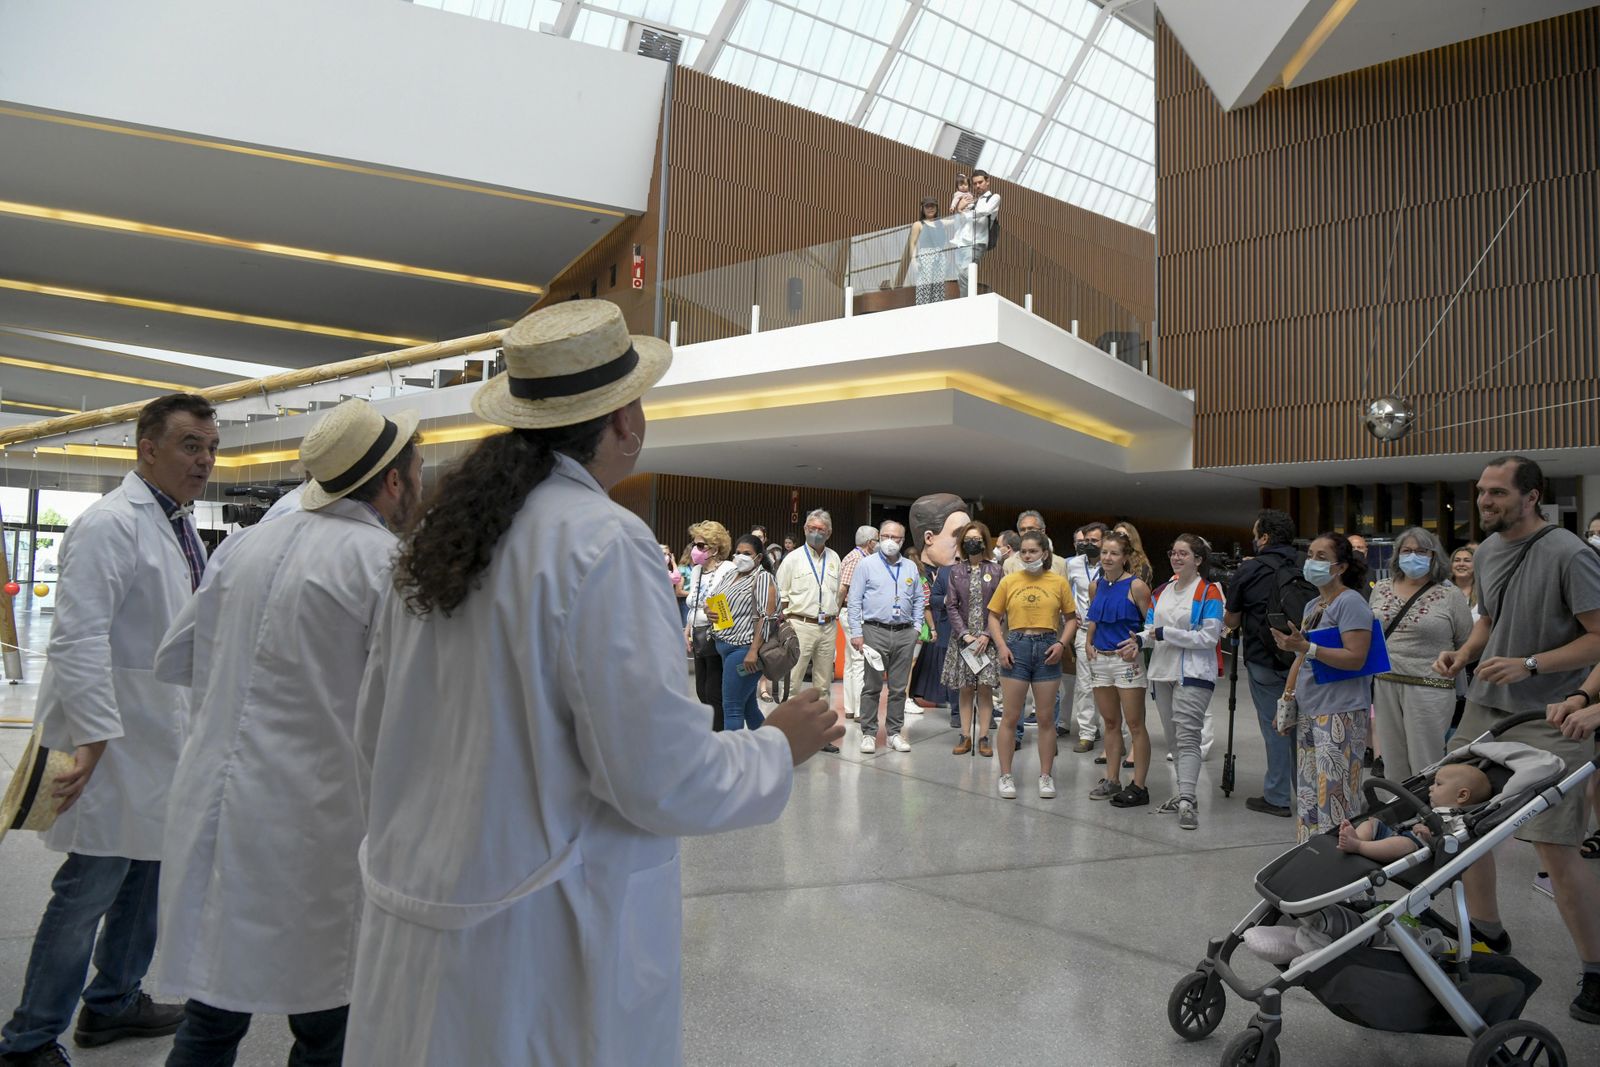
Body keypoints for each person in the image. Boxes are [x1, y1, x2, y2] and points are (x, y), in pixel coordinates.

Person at [342, 300, 840, 1066]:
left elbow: (375, 728)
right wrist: (776, 745)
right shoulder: (601, 540)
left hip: (424, 912)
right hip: (538, 940)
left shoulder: (442, 539)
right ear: (622, 422)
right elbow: (659, 776)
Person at [150, 399, 423, 1067]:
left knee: (214, 1008)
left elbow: (173, 657)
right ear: (392, 481)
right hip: (318, 821)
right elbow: (410, 711)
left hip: (224, 807)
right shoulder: (384, 564)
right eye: (415, 470)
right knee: (330, 1018)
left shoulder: (245, 545)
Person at [0, 394, 218, 1066]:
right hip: (110, 745)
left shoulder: (178, 524)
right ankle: (30, 1036)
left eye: (211, 447)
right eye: (189, 445)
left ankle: (114, 999)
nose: (205, 460)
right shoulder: (107, 525)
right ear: (145, 447)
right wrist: (93, 736)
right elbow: (78, 638)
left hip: (157, 737)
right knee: (90, 884)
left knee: (147, 874)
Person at [1433, 456, 1600, 1024]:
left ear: (1532, 497)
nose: (1485, 502)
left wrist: (1531, 664)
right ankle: (1486, 931)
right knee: (1464, 820)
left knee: (1555, 845)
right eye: (1481, 493)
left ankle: (1596, 969)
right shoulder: (1485, 552)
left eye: (1498, 494)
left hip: (1553, 715)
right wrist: (1465, 653)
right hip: (1486, 706)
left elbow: (1599, 639)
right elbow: (1487, 619)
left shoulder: (1570, 553)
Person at [1272, 532, 1375, 843]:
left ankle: (1341, 867)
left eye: (1320, 557)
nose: (1311, 562)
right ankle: (1310, 855)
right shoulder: (1314, 605)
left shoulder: (1351, 602)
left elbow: (1356, 657)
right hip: (1310, 709)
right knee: (1308, 794)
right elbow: (1301, 659)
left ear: (1340, 567)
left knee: (1337, 793)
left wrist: (1308, 647)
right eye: (1310, 555)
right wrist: (1287, 703)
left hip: (1340, 711)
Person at [1368, 526, 1472, 781]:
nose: (1413, 556)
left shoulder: (1450, 595)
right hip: (1385, 683)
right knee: (1392, 760)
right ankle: (1400, 815)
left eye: (1421, 551)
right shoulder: (1380, 588)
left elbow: (1466, 641)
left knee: (1426, 760)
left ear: (1434, 556)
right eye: (1407, 550)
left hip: (1430, 687)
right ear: (1397, 554)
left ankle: (1426, 817)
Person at [1139, 535, 1224, 830]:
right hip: (1162, 673)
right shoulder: (1161, 591)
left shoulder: (1209, 593)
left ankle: (1187, 799)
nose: (1176, 558)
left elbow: (1209, 638)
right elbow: (1149, 630)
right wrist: (1135, 642)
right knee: (1174, 740)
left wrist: (1166, 634)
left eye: (1183, 554)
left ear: (1198, 560)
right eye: (1173, 552)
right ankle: (1183, 793)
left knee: (1189, 738)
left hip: (1194, 673)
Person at [1222, 509, 1302, 819]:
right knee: (1304, 728)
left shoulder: (1250, 570)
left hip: (1264, 659)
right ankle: (1307, 792)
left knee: (1277, 727)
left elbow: (1232, 619)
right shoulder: (1308, 565)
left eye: (1256, 534)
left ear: (1264, 537)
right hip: (1304, 656)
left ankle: (1278, 796)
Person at [985, 531, 1076, 799]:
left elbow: (1071, 618)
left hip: (1048, 647)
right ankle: (1005, 775)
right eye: (1023, 552)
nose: (1027, 556)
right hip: (1017, 646)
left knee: (1047, 718)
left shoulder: (1058, 582)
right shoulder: (1009, 580)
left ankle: (1046, 776)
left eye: (1033, 552)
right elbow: (993, 617)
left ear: (1045, 553)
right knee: (1011, 716)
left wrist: (1062, 644)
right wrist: (1002, 646)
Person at [1083, 530, 1153, 806]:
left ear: (1125, 558)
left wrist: (1139, 644)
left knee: (1135, 724)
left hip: (1127, 662)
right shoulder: (1096, 585)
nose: (1108, 558)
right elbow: (1094, 617)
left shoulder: (1136, 587)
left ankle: (1139, 785)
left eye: (1114, 553)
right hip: (1100, 660)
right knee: (1110, 722)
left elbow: (1151, 626)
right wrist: (1088, 642)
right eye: (1104, 552)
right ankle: (1112, 779)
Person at [847, 520, 925, 754]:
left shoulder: (910, 567)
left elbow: (920, 598)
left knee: (899, 688)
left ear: (903, 541)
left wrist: (917, 626)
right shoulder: (866, 565)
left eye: (896, 538)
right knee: (871, 686)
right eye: (886, 536)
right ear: (879, 538)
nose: (891, 541)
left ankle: (894, 732)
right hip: (874, 631)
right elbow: (854, 599)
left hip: (904, 632)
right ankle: (869, 733)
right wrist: (857, 632)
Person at [773, 510, 842, 755]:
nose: (815, 533)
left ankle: (819, 735)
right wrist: (783, 628)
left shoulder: (835, 558)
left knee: (823, 685)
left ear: (829, 532)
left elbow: (838, 594)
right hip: (799, 624)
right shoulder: (792, 559)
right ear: (804, 530)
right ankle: (787, 737)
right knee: (792, 682)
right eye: (811, 528)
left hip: (828, 626)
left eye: (820, 529)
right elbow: (780, 595)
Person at [1336, 763, 1492, 862]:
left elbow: (1454, 844)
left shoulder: (1459, 819)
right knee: (1370, 823)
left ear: (1462, 795)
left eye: (1438, 784)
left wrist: (1431, 838)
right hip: (1398, 833)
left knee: (1404, 844)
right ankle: (1358, 838)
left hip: (1416, 845)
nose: (1431, 787)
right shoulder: (1434, 808)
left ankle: (1359, 846)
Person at [943, 522, 1002, 756]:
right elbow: (952, 606)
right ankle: (965, 736)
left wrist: (987, 634)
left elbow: (1000, 608)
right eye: (968, 538)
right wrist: (965, 634)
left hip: (988, 639)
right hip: (963, 639)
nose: (972, 542)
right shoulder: (955, 571)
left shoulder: (997, 570)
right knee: (966, 688)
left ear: (985, 542)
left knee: (985, 689)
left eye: (977, 538)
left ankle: (984, 737)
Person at [711, 534, 778, 732]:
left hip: (744, 650)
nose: (741, 557)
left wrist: (753, 651)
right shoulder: (731, 574)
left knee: (731, 706)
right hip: (724, 646)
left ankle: (733, 759)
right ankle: (770, 749)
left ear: (758, 557)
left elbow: (767, 617)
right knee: (748, 706)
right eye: (738, 552)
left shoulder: (763, 577)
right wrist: (710, 611)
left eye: (747, 553)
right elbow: (714, 597)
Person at [683, 521, 734, 732]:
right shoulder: (696, 571)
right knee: (701, 691)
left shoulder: (728, 569)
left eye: (701, 545)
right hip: (697, 635)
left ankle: (719, 736)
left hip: (718, 636)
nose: (696, 550)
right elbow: (693, 603)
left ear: (715, 548)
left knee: (714, 692)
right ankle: (710, 733)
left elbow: (729, 605)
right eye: (695, 544)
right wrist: (688, 627)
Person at [1065, 523, 1107, 753]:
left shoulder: (1110, 565)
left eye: (1094, 541)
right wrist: (1071, 613)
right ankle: (1086, 734)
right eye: (1086, 540)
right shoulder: (1073, 564)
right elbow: (1065, 591)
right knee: (1083, 684)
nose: (1089, 544)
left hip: (1107, 633)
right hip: (1083, 633)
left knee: (1104, 683)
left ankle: (1102, 725)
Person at [837, 524, 878, 722]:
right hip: (853, 613)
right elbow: (843, 588)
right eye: (877, 539)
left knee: (851, 661)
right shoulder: (856, 558)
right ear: (870, 543)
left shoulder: (857, 557)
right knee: (860, 660)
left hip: (850, 612)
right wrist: (836, 611)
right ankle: (861, 710)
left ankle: (851, 708)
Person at [895, 197, 952, 305]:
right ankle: (923, 308)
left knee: (938, 286)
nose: (930, 208)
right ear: (922, 208)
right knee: (925, 286)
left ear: (936, 207)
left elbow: (955, 220)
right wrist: (913, 262)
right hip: (925, 256)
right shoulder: (918, 224)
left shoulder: (941, 223)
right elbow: (913, 243)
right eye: (927, 206)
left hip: (940, 257)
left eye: (932, 206)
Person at [959, 169, 1000, 298]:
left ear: (988, 181)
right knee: (962, 273)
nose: (977, 186)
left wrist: (963, 211)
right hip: (965, 241)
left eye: (980, 182)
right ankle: (967, 299)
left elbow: (984, 211)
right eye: (975, 183)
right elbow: (962, 217)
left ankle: (967, 301)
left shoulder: (994, 197)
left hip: (978, 242)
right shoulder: (975, 202)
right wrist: (960, 209)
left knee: (965, 271)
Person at [1005, 511, 1069, 578]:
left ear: (1042, 531)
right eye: (1022, 530)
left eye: (1031, 528)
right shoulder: (1009, 564)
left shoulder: (1060, 563)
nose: (1026, 533)